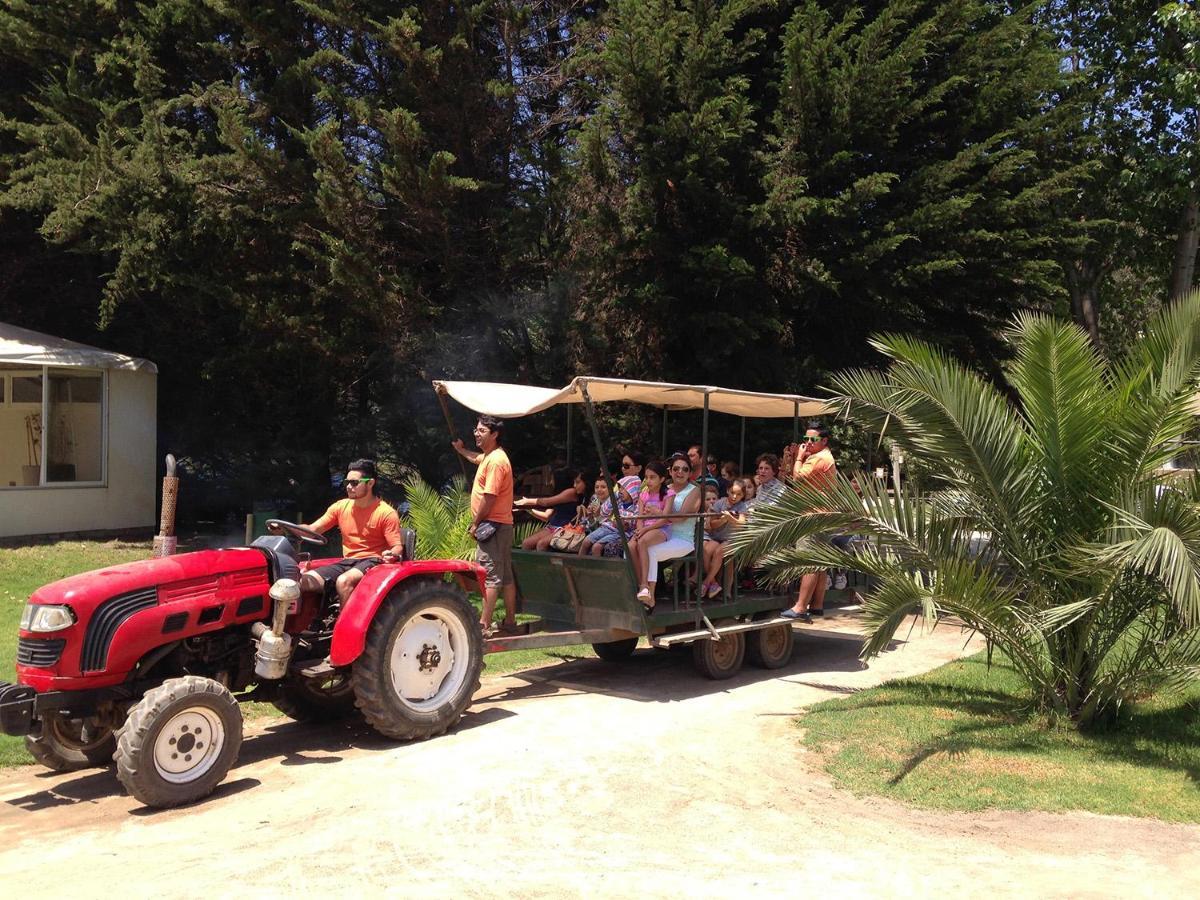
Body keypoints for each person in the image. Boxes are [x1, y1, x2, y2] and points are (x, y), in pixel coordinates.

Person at [299, 459, 405, 605]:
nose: (349, 487)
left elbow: (397, 547)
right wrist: (291, 529)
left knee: (344, 581)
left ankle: (346, 627)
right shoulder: (340, 507)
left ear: (370, 483)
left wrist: (391, 554)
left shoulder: (385, 513)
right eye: (347, 482)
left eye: (354, 483)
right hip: (348, 562)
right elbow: (313, 529)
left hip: (373, 561)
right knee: (303, 581)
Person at [453, 415, 517, 635]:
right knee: (505, 575)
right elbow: (476, 458)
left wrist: (475, 523)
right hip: (499, 525)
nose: (476, 434)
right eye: (476, 429)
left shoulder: (497, 461)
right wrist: (462, 451)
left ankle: (483, 625)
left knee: (490, 576)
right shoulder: (490, 457)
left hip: (494, 525)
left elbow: (489, 496)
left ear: (495, 434)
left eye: (481, 431)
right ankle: (510, 621)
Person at [781, 423, 840, 623]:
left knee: (808, 560)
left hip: (813, 515)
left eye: (812, 440)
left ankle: (800, 607)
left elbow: (797, 478)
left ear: (824, 441)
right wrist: (791, 457)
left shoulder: (820, 458)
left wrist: (798, 457)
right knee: (819, 562)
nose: (807, 443)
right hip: (820, 514)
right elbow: (788, 475)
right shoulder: (817, 457)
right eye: (806, 439)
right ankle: (817, 605)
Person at [634, 453, 702, 609]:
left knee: (651, 551)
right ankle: (640, 587)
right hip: (662, 533)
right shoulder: (665, 488)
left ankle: (649, 595)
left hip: (682, 539)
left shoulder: (695, 491)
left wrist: (658, 512)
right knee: (636, 546)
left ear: (690, 473)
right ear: (670, 472)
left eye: (685, 469)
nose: (680, 472)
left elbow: (681, 517)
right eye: (676, 468)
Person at [625, 461, 672, 605]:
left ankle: (645, 584)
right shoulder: (643, 494)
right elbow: (640, 517)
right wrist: (640, 529)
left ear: (662, 479)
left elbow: (665, 519)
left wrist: (645, 530)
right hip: (644, 528)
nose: (649, 481)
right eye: (647, 477)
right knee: (631, 546)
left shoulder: (668, 494)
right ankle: (641, 586)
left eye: (653, 477)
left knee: (643, 541)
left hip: (661, 529)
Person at [514, 468, 589, 551]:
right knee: (526, 543)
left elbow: (546, 502)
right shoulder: (560, 493)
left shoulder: (571, 492)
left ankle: (542, 564)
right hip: (552, 526)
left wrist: (528, 501)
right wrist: (528, 509)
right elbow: (546, 516)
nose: (550, 482)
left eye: (552, 479)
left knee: (541, 544)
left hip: (564, 528)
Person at [701, 478, 750, 598]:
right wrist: (723, 519)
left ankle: (706, 582)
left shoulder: (742, 506)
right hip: (717, 536)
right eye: (732, 492)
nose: (734, 496)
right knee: (706, 551)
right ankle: (713, 584)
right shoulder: (720, 503)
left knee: (720, 552)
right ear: (728, 490)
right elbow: (712, 524)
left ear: (743, 495)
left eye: (739, 494)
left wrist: (731, 519)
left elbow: (741, 524)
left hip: (732, 539)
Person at [580, 474, 640, 557]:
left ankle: (599, 569)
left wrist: (623, 523)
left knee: (596, 547)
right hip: (607, 527)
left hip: (621, 533)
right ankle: (580, 566)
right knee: (586, 541)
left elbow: (632, 523)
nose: (620, 490)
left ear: (632, 490)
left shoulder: (637, 506)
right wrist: (614, 496)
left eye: (623, 488)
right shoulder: (618, 501)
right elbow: (604, 512)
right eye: (619, 488)